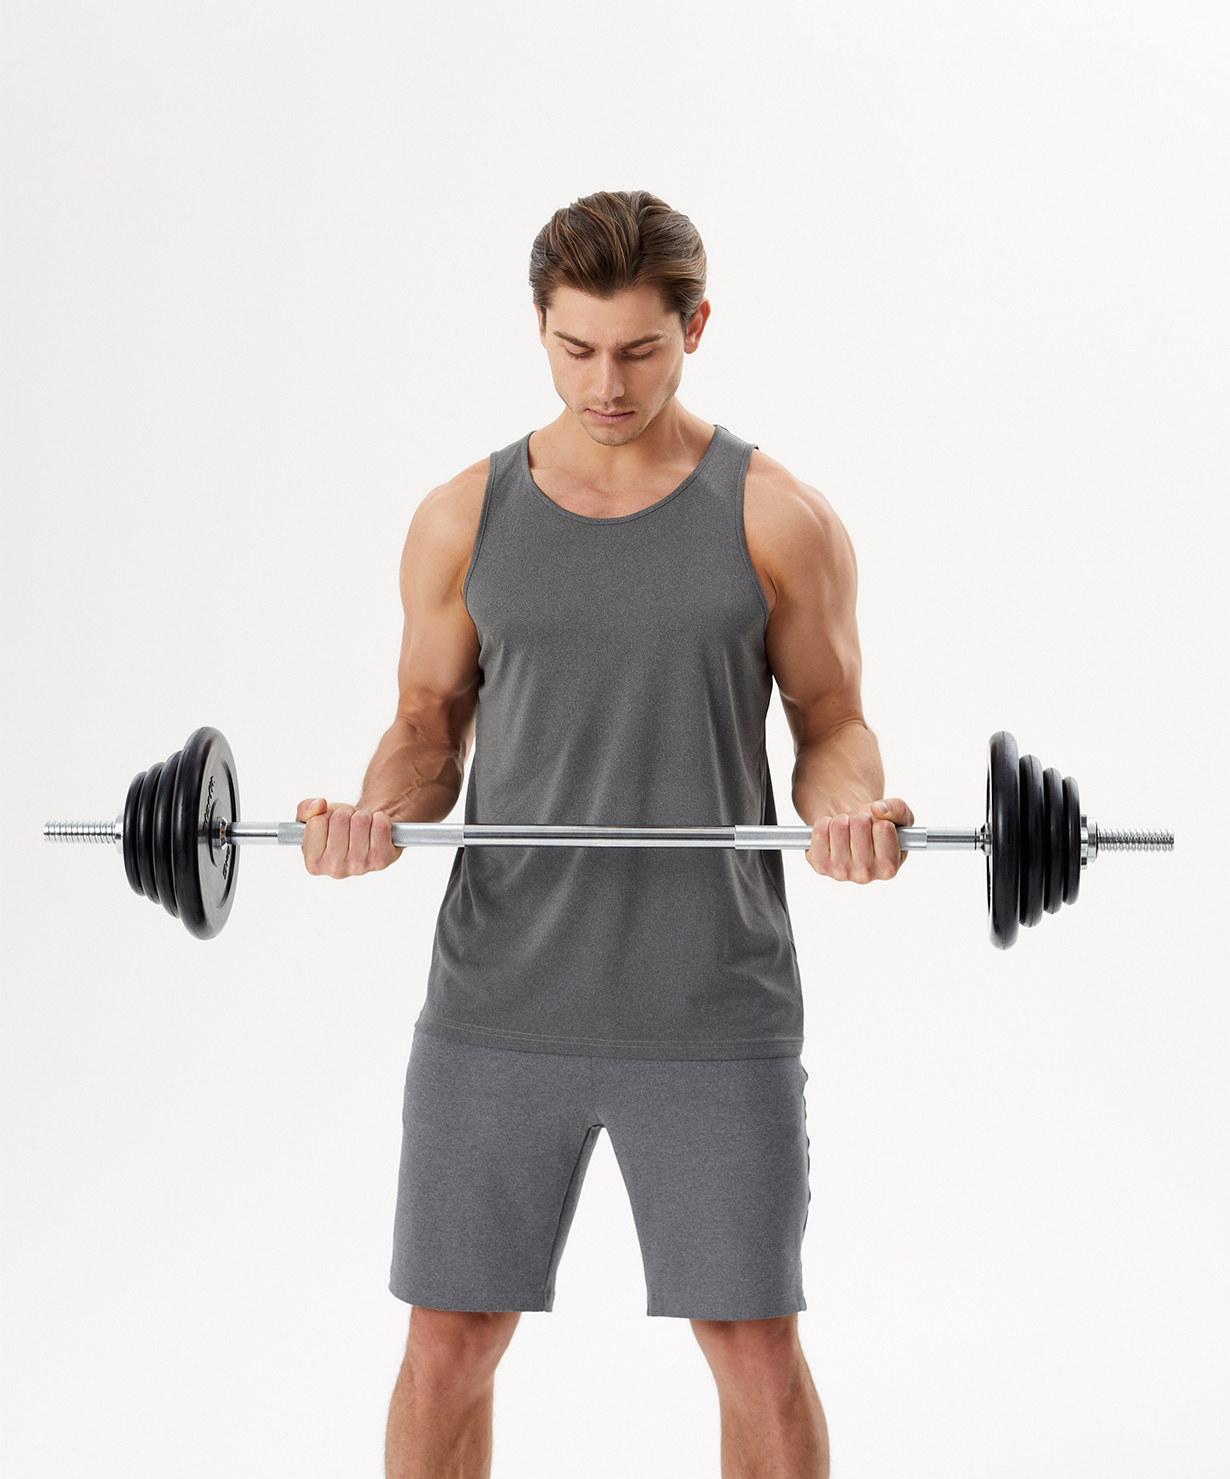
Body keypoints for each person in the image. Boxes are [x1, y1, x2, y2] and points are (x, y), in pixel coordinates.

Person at [296, 190, 913, 1479]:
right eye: (576, 349)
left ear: (697, 326)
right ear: (540, 329)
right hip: (498, 997)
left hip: (711, 1001)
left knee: (754, 1351)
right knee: (448, 1344)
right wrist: (375, 815)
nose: (607, 384)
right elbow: (423, 729)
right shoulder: (464, 515)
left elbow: (833, 726)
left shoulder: (776, 515)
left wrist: (852, 811)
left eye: (639, 349)